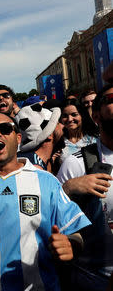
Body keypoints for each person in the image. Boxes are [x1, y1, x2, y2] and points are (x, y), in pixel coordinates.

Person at [0, 113, 90, 290]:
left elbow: (74, 232)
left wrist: (70, 244)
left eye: (5, 129)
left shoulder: (46, 181)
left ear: (18, 138)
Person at [57, 84, 113, 291]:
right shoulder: (77, 163)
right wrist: (67, 189)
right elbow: (55, 216)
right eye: (112, 98)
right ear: (96, 116)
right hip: (94, 277)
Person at [14, 103, 63, 171]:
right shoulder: (34, 168)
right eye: (57, 123)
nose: (62, 126)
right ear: (49, 135)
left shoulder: (41, 161)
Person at [58, 98, 98, 164]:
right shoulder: (58, 143)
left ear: (82, 115)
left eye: (74, 114)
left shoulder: (94, 140)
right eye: (65, 116)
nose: (69, 119)